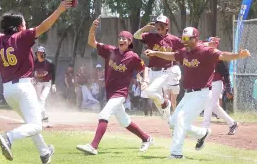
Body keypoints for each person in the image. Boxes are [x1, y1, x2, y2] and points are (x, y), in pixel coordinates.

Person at [0, 0, 72, 163]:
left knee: (30, 123)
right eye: (24, 22)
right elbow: (45, 26)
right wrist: (60, 9)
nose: (26, 24)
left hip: (8, 91)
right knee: (36, 125)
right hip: (23, 87)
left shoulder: (0, 39)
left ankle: (44, 152)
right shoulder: (22, 36)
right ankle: (8, 137)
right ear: (18, 26)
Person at [144, 27, 250, 159]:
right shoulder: (184, 52)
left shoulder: (206, 51)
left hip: (202, 94)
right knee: (173, 123)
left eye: (188, 39)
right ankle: (202, 134)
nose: (185, 41)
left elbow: (223, 55)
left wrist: (238, 55)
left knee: (181, 119)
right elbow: (172, 55)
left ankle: (176, 153)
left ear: (196, 38)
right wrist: (155, 53)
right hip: (188, 94)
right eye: (183, 39)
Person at [76, 17, 153, 155]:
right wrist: (93, 27)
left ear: (130, 42)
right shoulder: (110, 51)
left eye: (125, 38)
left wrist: (145, 80)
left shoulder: (133, 56)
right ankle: (146, 138)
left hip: (120, 93)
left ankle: (93, 146)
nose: (121, 40)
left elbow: (144, 68)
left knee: (104, 114)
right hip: (110, 93)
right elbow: (91, 42)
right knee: (125, 122)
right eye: (120, 37)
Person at [134, 15, 184, 120]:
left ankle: (166, 103)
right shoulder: (151, 36)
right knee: (155, 100)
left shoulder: (173, 39)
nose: (158, 26)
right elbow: (136, 36)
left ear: (167, 27)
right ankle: (171, 121)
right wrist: (144, 29)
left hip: (165, 72)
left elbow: (184, 50)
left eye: (162, 24)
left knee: (150, 92)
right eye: (157, 24)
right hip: (152, 72)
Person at [202, 37, 238, 135]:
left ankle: (204, 128)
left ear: (216, 45)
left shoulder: (219, 57)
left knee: (209, 104)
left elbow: (226, 74)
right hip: (208, 84)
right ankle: (232, 123)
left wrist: (228, 88)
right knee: (214, 107)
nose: (209, 44)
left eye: (212, 43)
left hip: (217, 83)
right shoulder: (206, 55)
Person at [33, 46, 57, 124]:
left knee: (42, 99)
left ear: (44, 54)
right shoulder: (34, 62)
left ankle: (38, 117)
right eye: (39, 53)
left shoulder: (49, 63)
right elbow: (31, 72)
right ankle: (45, 116)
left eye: (41, 53)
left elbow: (53, 74)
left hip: (47, 83)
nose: (40, 54)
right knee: (37, 100)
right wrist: (32, 79)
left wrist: (53, 84)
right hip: (38, 83)